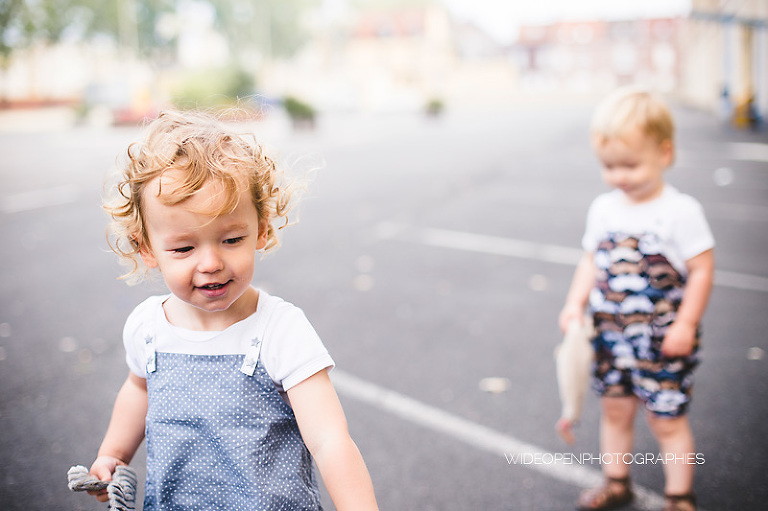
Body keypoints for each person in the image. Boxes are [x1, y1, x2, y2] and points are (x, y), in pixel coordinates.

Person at [86, 110, 379, 510]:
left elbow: (329, 440)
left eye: (231, 239)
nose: (210, 263)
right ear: (147, 248)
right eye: (184, 248)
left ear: (261, 229)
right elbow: (139, 388)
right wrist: (113, 455)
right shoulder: (148, 327)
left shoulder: (279, 330)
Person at [558, 88, 714, 511]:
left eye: (630, 164)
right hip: (611, 337)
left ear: (665, 152)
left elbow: (702, 269)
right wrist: (575, 303)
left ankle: (680, 496)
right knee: (614, 412)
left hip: (663, 341)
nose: (619, 176)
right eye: (608, 166)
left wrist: (685, 323)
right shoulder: (605, 209)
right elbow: (591, 260)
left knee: (666, 421)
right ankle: (617, 481)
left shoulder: (680, 211)